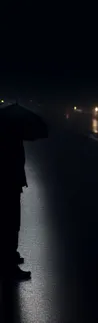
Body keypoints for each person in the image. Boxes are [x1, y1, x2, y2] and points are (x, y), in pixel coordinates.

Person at [0, 115, 31, 280]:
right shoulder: (10, 142)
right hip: (9, 186)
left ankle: (8, 258)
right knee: (11, 224)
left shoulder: (8, 139)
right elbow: (15, 163)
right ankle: (9, 263)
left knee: (8, 224)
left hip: (9, 185)